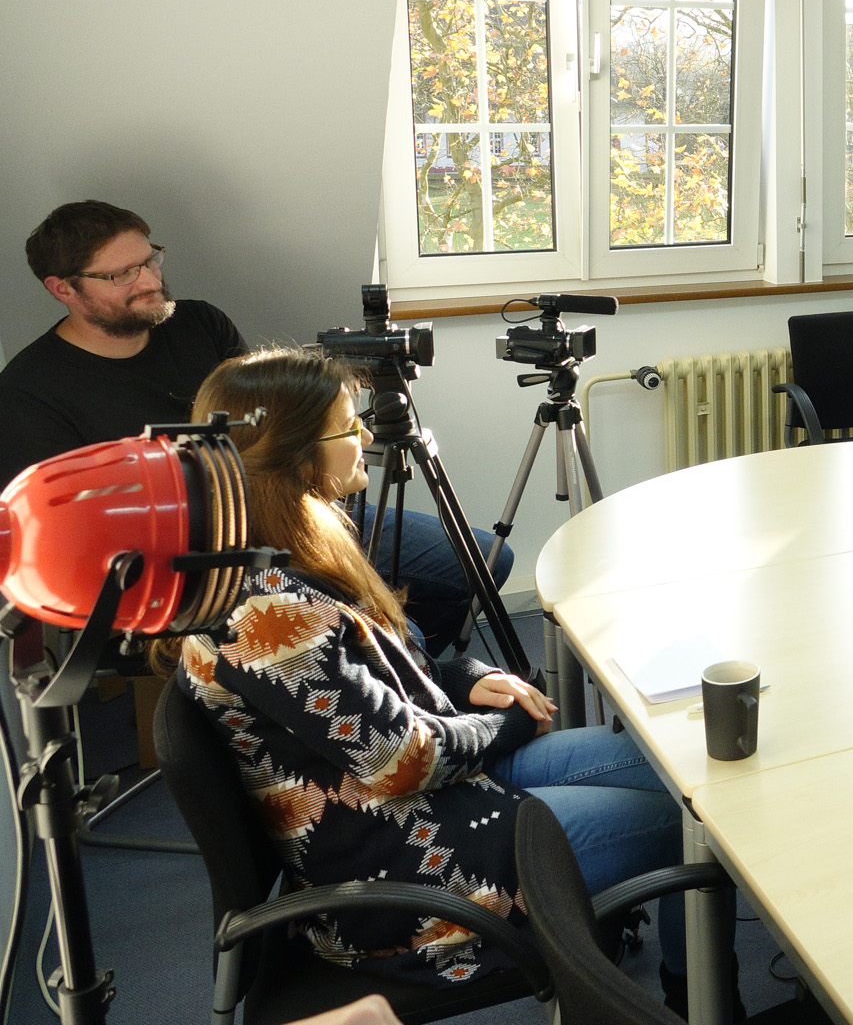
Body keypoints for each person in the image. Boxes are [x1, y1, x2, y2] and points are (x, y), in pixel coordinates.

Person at [159, 348, 684, 985]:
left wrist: (465, 681)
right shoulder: (267, 616)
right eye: (348, 428)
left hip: (435, 801)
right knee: (691, 826)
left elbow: (383, 672)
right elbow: (398, 759)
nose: (366, 438)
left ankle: (682, 978)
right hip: (411, 868)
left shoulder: (291, 554)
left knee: (681, 767)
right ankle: (700, 998)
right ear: (295, 456)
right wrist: (509, 724)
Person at [2, 200, 507, 657]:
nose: (151, 281)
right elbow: (72, 536)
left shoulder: (198, 323)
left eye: (150, 259)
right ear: (63, 288)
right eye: (122, 275)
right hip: (190, 559)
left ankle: (390, 677)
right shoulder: (30, 391)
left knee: (487, 563)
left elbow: (276, 422)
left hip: (290, 504)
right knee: (385, 630)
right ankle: (360, 675)